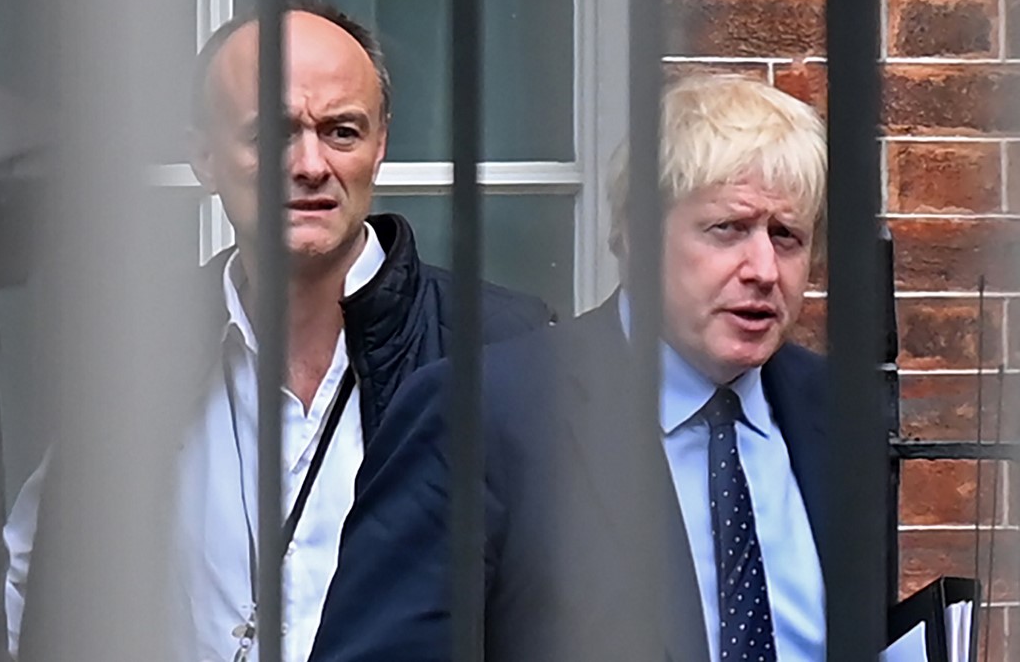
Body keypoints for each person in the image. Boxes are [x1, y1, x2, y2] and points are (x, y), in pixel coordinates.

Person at [4, 0, 552, 662]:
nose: (311, 165)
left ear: (380, 146)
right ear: (204, 155)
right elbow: (41, 575)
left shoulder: (503, 349)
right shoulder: (134, 355)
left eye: (342, 131)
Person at [310, 74, 829, 662]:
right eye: (727, 229)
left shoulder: (831, 415)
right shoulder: (484, 415)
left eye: (786, 236)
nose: (762, 267)